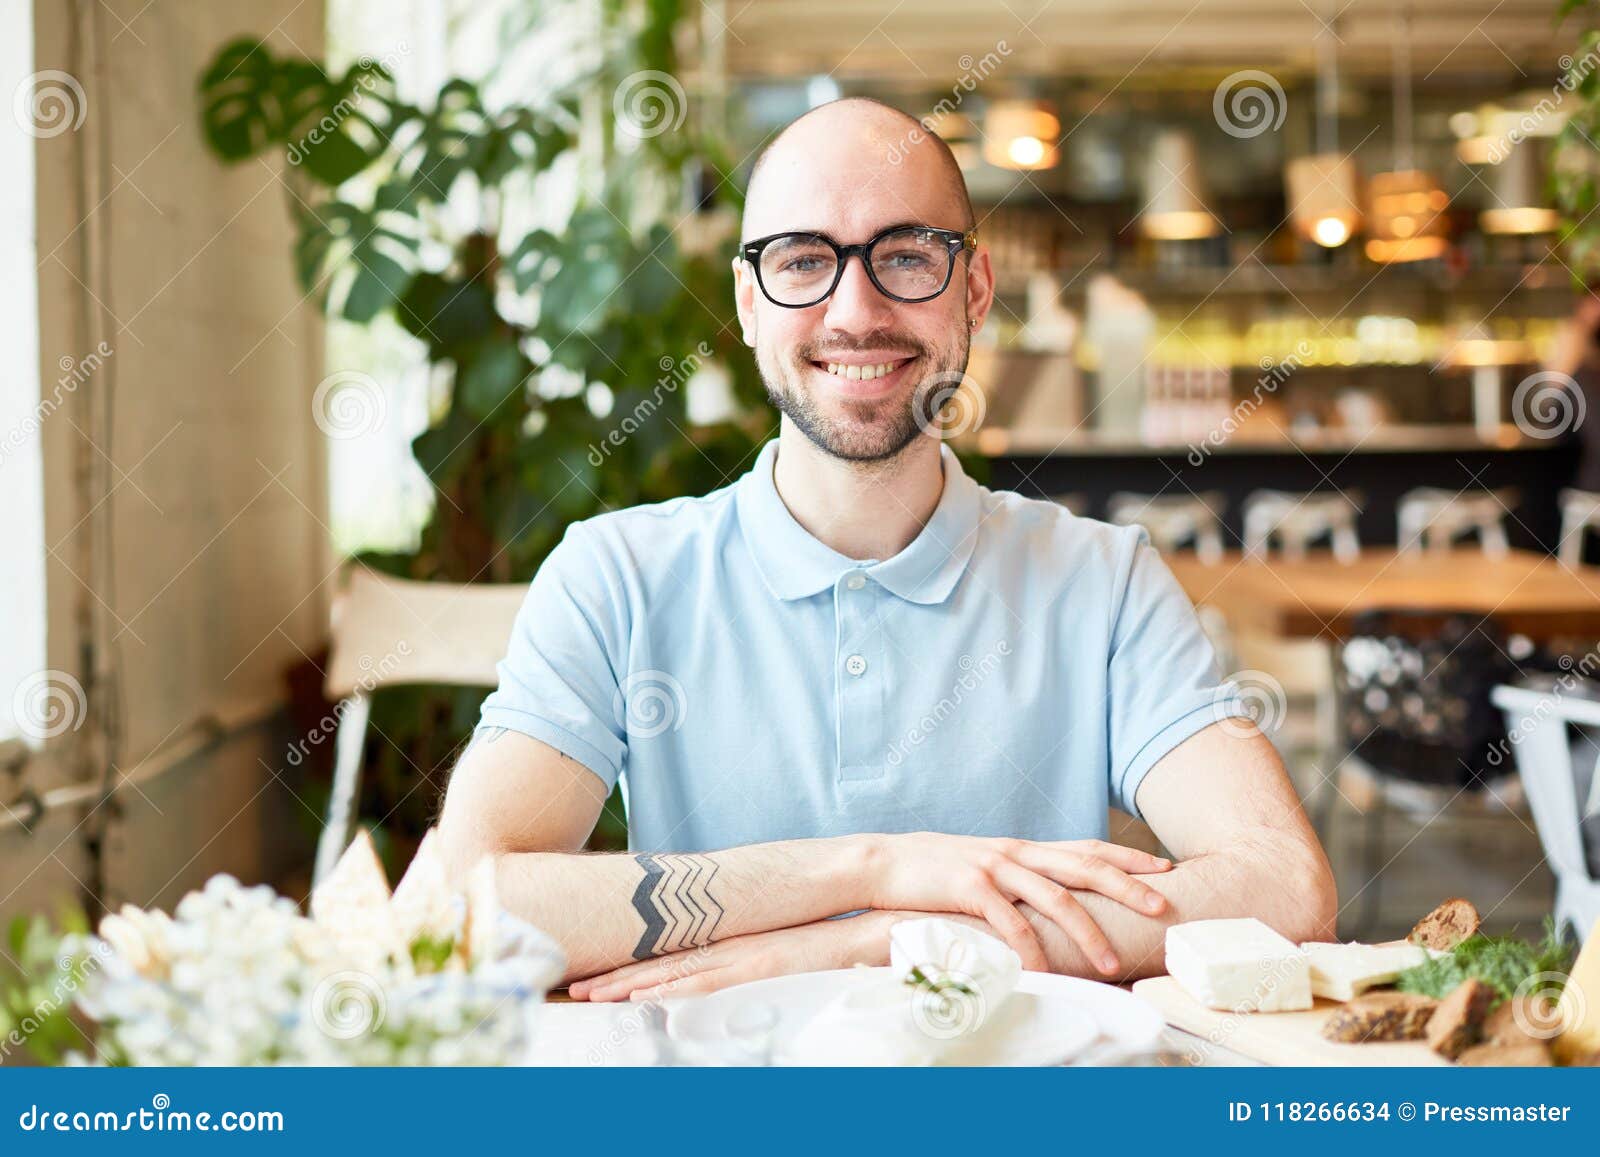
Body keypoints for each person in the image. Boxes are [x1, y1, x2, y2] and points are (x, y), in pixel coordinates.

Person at [437, 97, 1335, 999]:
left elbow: (1287, 888)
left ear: (975, 289)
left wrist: (881, 939)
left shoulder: (1102, 581)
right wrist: (869, 868)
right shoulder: (614, 577)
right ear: (749, 304)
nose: (855, 311)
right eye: (804, 261)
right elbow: (465, 904)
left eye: (906, 256)